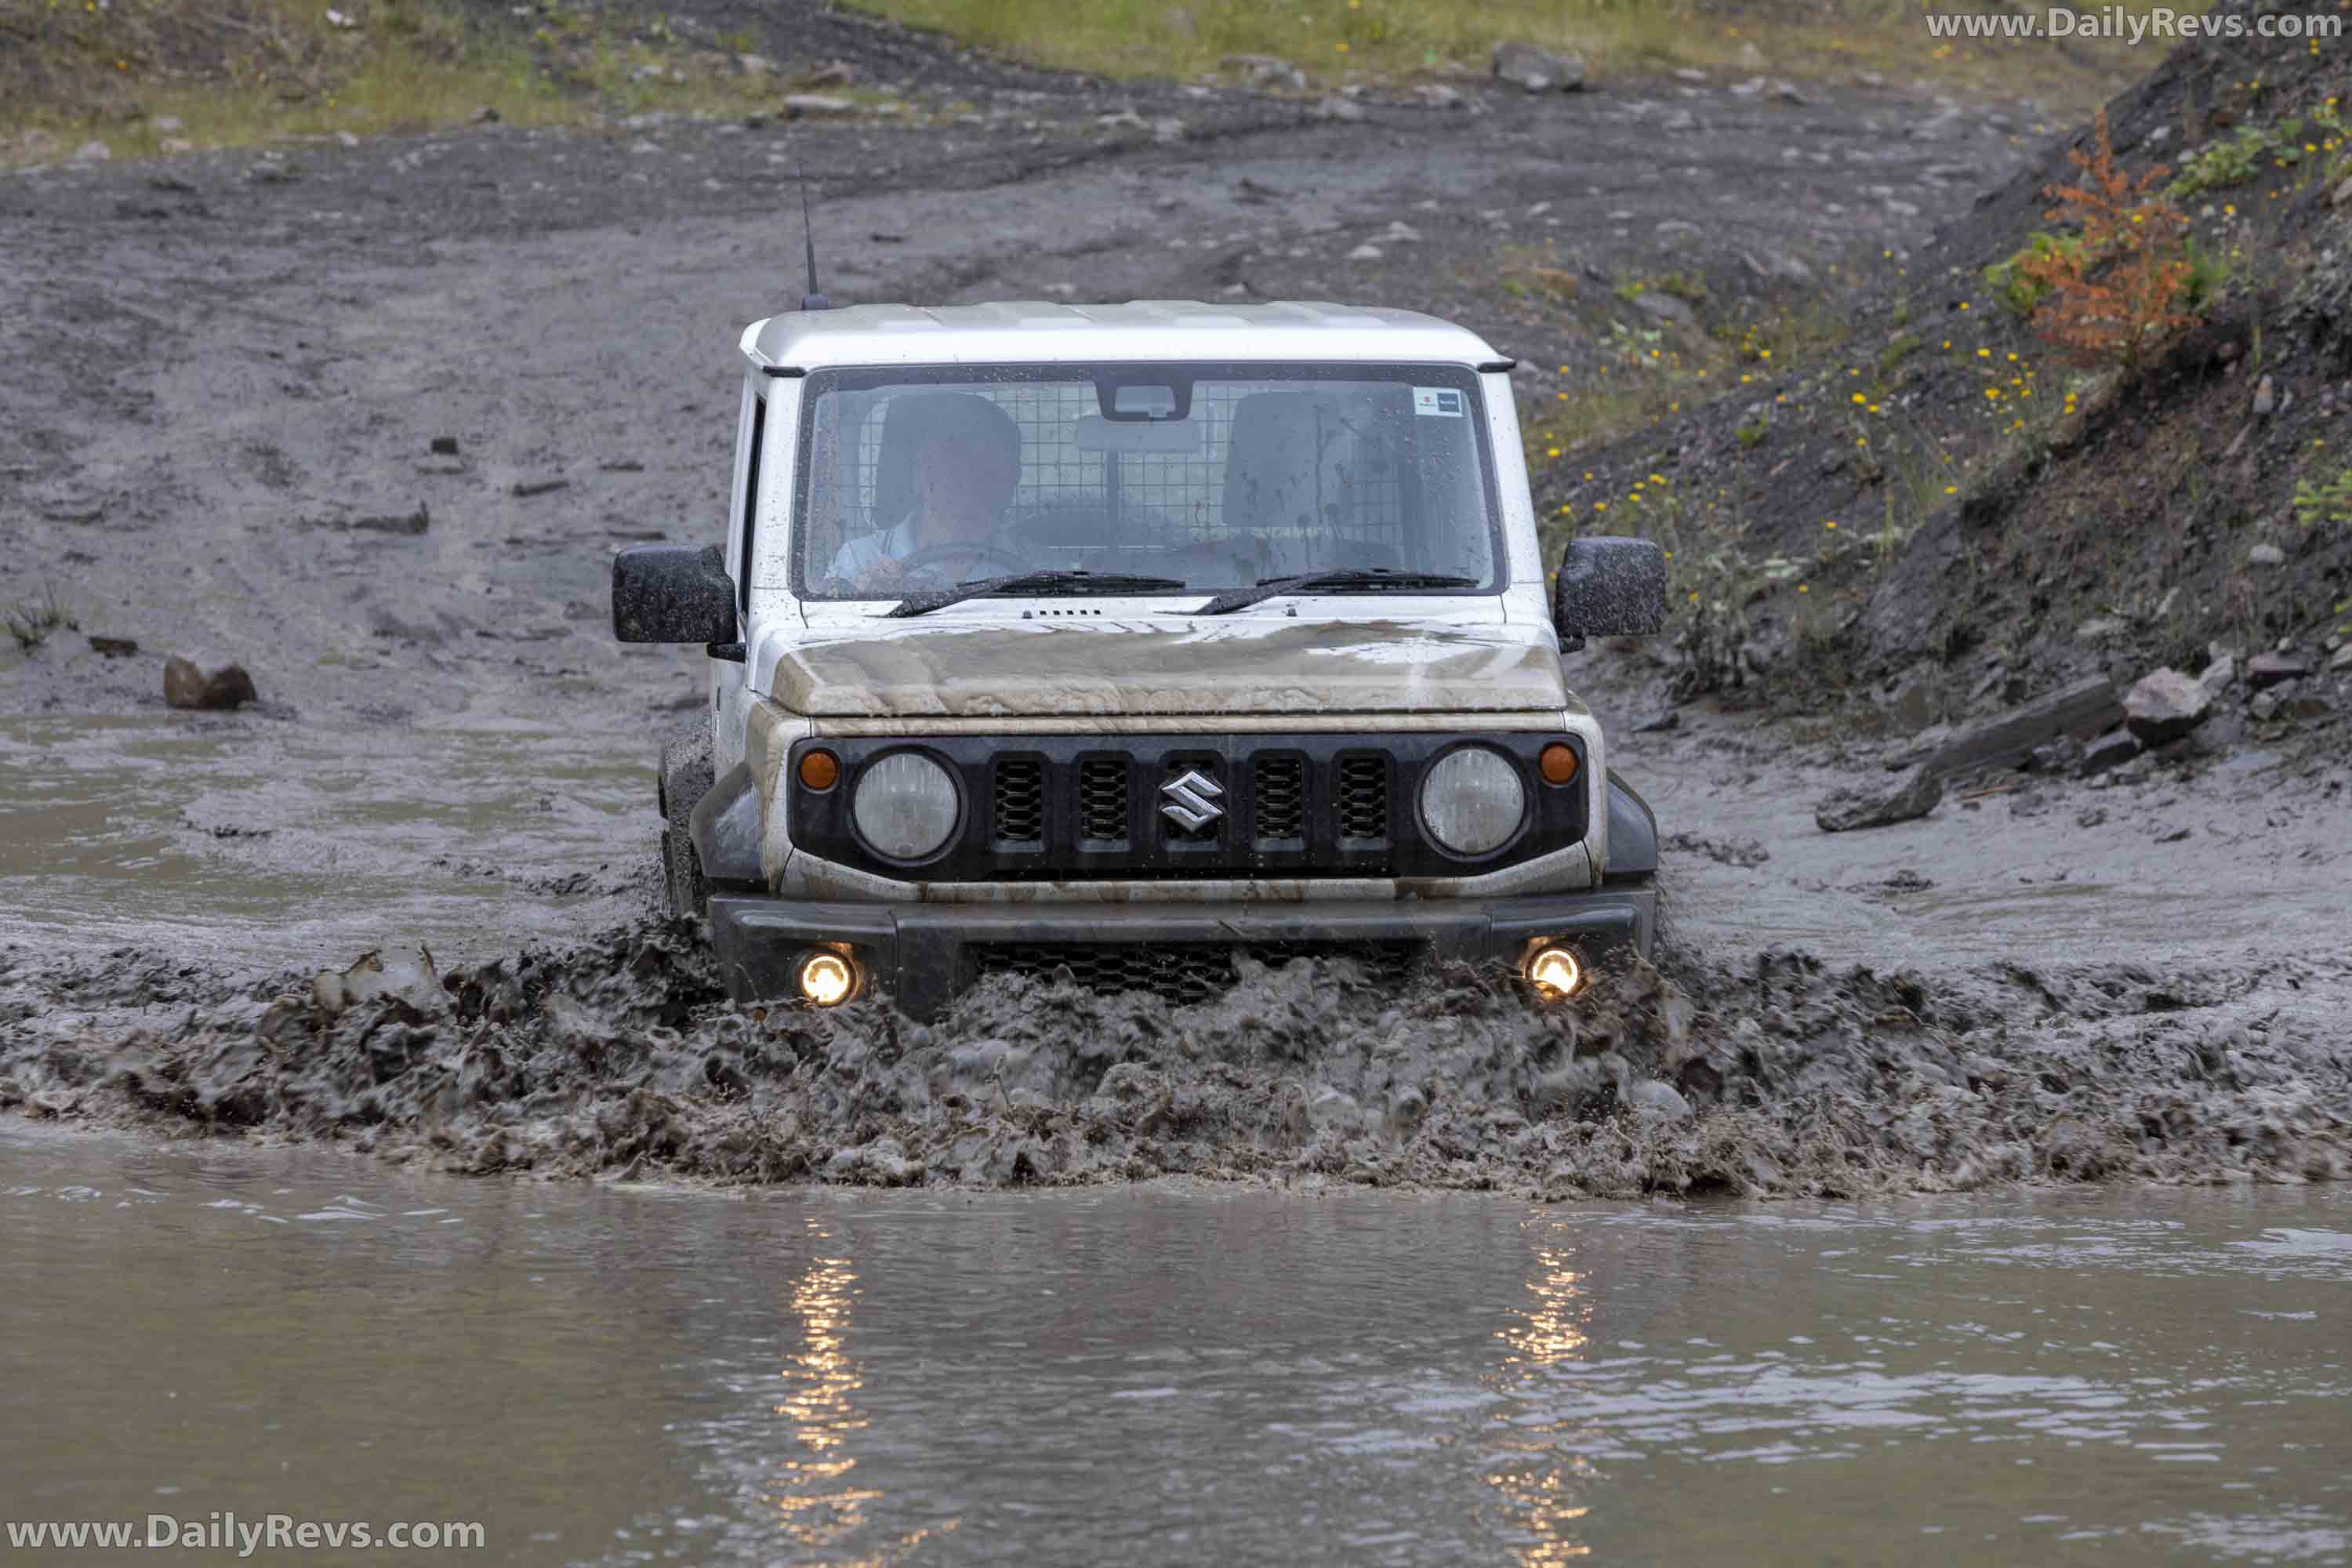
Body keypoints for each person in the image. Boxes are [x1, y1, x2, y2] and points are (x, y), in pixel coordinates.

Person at [826, 393, 1024, 590]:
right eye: (952, 466)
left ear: (1010, 481)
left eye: (985, 469)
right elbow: (831, 618)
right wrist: (867, 598)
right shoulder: (858, 560)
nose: (967, 483)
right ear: (919, 476)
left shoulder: (1041, 565)